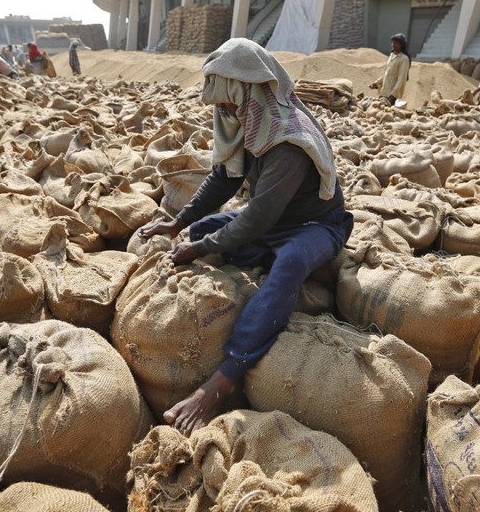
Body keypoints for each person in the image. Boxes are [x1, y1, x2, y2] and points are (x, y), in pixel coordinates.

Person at [139, 38, 352, 435]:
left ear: (249, 95)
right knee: (204, 228)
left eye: (226, 105)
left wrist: (199, 249)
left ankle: (225, 377)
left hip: (315, 226)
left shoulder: (288, 139)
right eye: (218, 106)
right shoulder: (247, 123)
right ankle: (253, 269)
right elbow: (223, 177)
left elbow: (255, 220)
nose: (223, 114)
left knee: (288, 263)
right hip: (274, 222)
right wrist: (179, 223)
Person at [369, 33, 411, 106]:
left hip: (392, 96)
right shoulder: (392, 55)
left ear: (401, 45)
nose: (393, 44)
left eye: (396, 43)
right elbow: (387, 73)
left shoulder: (404, 59)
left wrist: (393, 95)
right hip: (384, 92)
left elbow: (401, 79)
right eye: (392, 42)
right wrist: (377, 83)